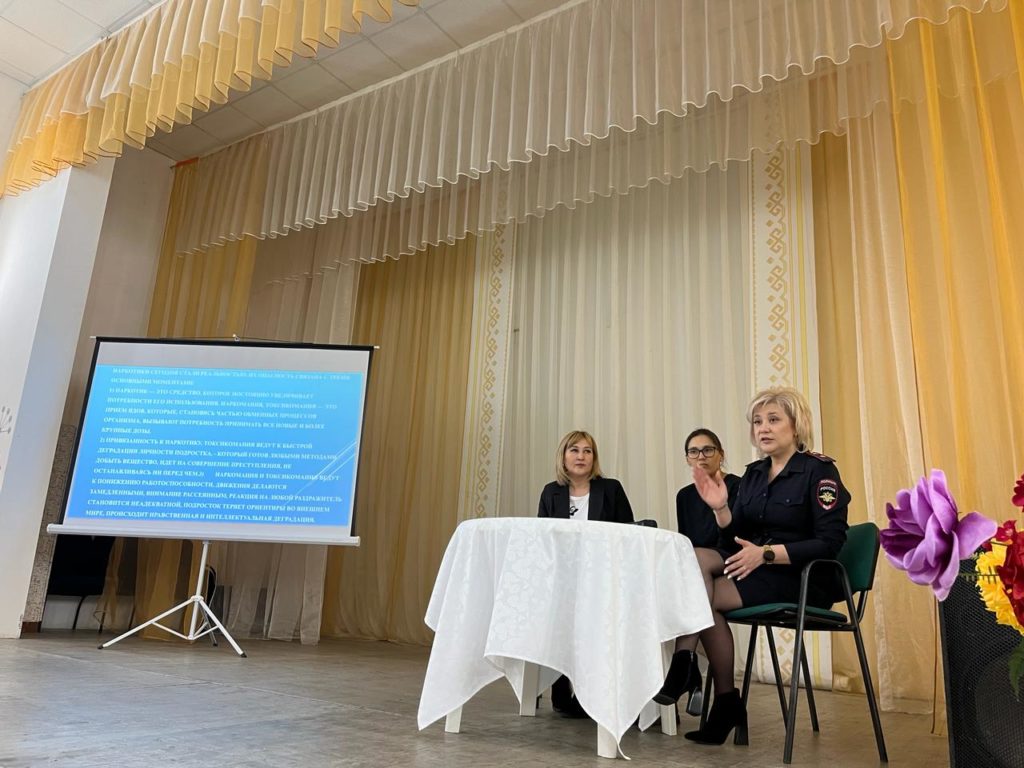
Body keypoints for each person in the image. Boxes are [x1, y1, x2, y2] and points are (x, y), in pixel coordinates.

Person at [656, 387, 849, 745]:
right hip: (757, 569)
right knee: (695, 559)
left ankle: (710, 686)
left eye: (773, 419)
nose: (763, 428)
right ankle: (701, 678)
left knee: (703, 597)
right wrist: (721, 509)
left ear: (796, 425)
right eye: (758, 422)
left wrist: (768, 553)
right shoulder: (755, 474)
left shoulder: (818, 471)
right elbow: (735, 538)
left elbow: (830, 542)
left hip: (799, 577)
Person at [538, 430, 635, 716]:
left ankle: (589, 692)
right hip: (563, 577)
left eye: (587, 451)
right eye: (574, 450)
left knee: (591, 619)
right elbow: (542, 538)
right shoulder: (551, 492)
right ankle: (560, 687)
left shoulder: (611, 489)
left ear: (594, 457)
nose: (581, 456)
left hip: (603, 575)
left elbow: (628, 533)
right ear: (563, 456)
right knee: (561, 614)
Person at [661, 428, 742, 715]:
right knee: (681, 580)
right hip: (699, 569)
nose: (701, 456)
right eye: (693, 452)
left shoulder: (738, 485)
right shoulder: (684, 496)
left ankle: (684, 661)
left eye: (708, 450)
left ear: (721, 454)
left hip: (733, 559)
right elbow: (686, 541)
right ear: (687, 459)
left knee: (695, 565)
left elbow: (737, 536)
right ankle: (723, 700)